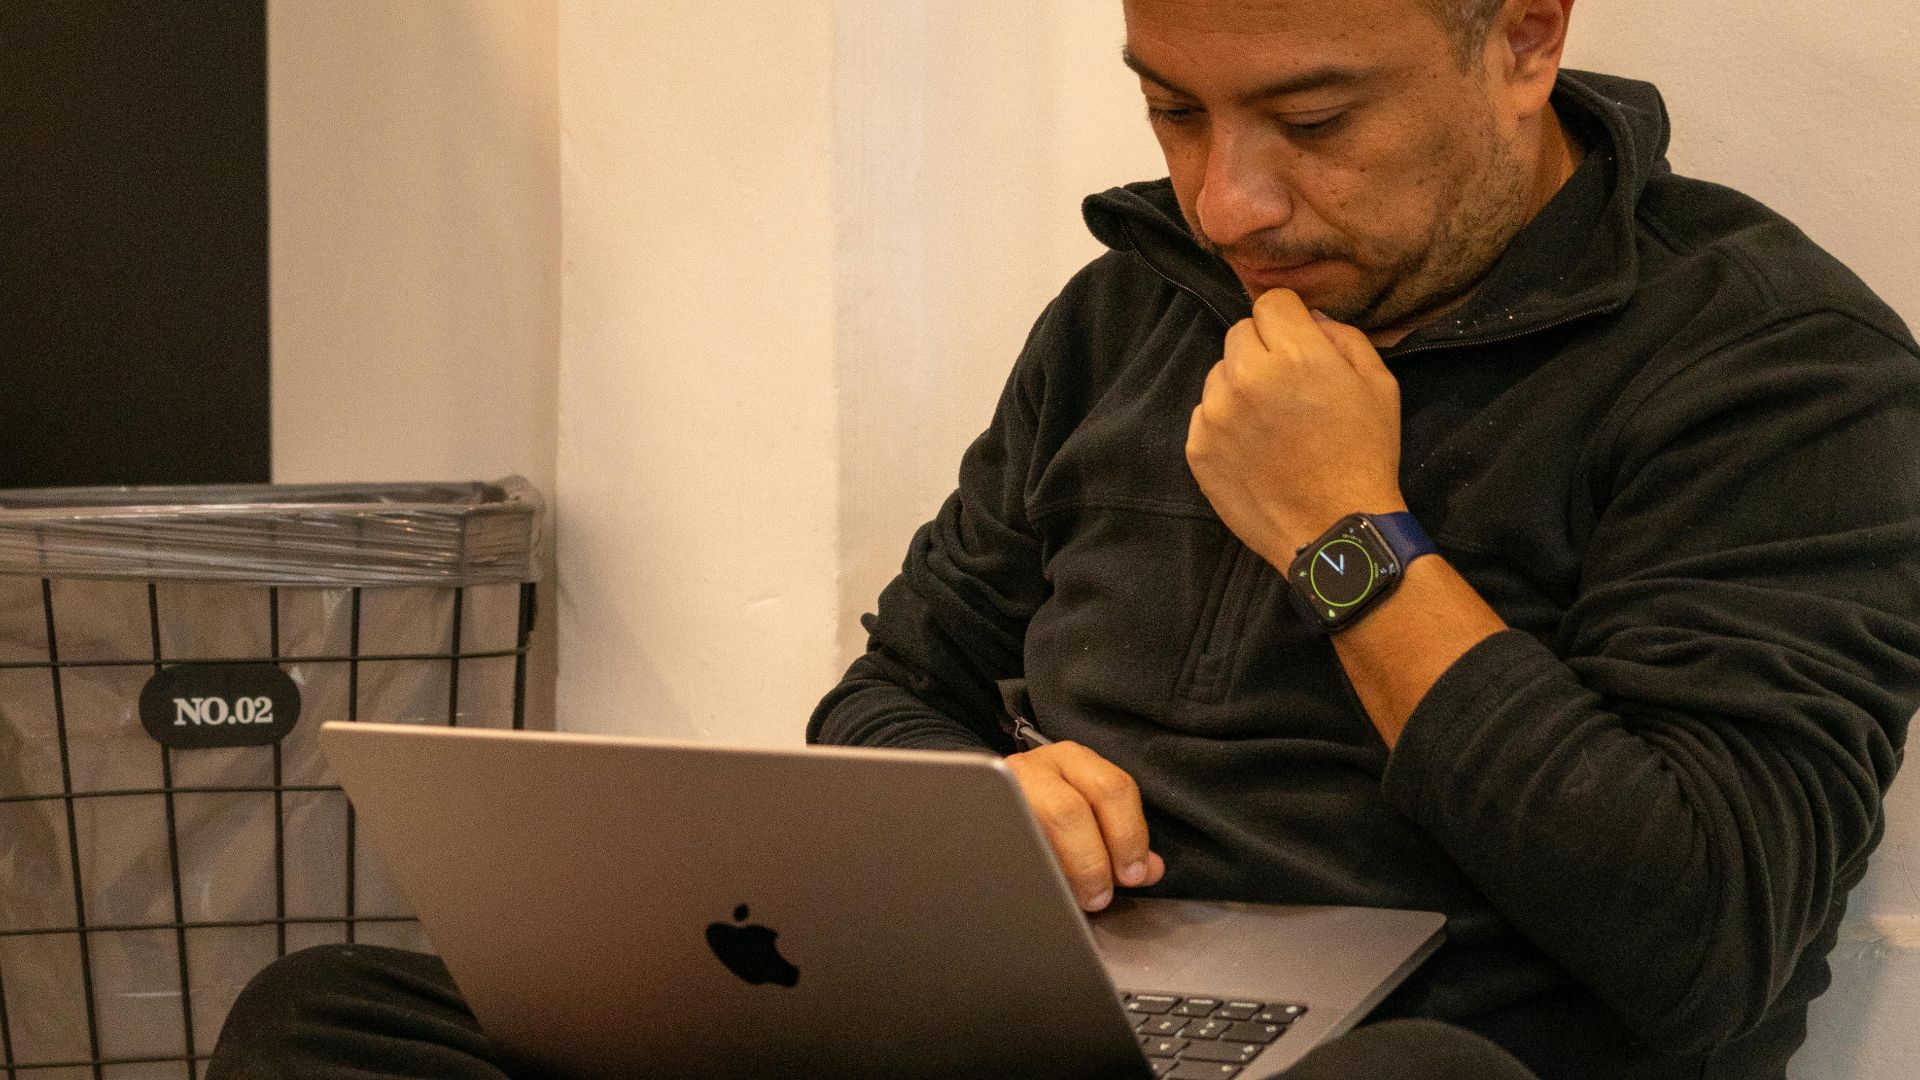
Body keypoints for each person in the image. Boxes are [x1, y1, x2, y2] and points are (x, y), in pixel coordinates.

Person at [209, 1, 1920, 1078]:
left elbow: (1706, 946)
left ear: (1525, 37)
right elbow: (889, 695)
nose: (1228, 200)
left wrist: (1344, 533)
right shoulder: (1129, 314)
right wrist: (974, 801)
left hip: (1422, 1051)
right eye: (1174, 109)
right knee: (331, 1016)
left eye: (1314, 123)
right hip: (1034, 1021)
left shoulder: (1778, 369)